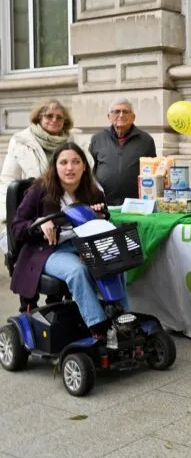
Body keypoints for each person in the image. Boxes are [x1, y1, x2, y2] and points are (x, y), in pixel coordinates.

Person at [10, 143, 125, 337]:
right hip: (50, 250)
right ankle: (98, 327)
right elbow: (17, 226)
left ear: (84, 166)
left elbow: (104, 222)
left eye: (75, 162)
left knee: (114, 261)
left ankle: (122, 317)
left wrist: (99, 217)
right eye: (63, 162)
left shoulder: (94, 192)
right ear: (55, 167)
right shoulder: (41, 189)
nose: (69, 168)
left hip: (83, 246)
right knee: (77, 271)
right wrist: (38, 224)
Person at [0, 100, 81, 222]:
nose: (54, 120)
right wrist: (10, 215)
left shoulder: (75, 142)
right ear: (39, 118)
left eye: (59, 117)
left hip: (70, 210)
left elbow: (87, 176)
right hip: (33, 212)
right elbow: (8, 179)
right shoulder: (21, 141)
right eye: (49, 116)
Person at [89, 98, 157, 206]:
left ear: (133, 117)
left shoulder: (146, 140)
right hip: (103, 203)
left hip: (136, 204)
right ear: (109, 117)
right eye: (116, 111)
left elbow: (154, 172)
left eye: (125, 111)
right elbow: (91, 169)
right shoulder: (97, 139)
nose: (121, 115)